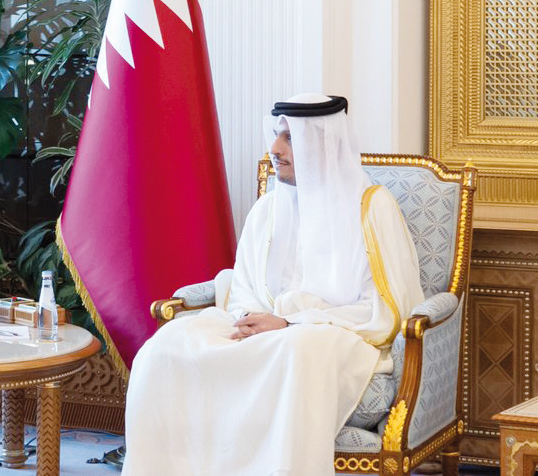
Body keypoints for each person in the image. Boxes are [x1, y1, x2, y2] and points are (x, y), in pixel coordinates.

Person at [122, 93, 424, 475]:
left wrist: (290, 322)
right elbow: (246, 283)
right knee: (166, 345)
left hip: (337, 335)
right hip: (264, 327)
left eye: (290, 139)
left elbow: (384, 308)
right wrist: (252, 318)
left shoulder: (371, 207)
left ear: (323, 143)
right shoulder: (268, 207)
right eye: (277, 136)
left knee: (299, 351)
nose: (275, 150)